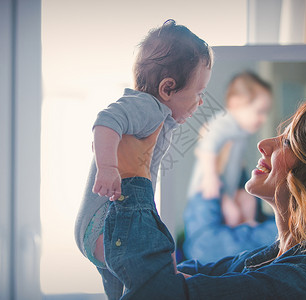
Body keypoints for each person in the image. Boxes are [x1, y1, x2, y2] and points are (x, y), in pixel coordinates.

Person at [101, 100, 306, 299]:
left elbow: (160, 292)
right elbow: (171, 279)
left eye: (289, 141)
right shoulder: (273, 257)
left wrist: (134, 177)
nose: (264, 143)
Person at [74, 19, 213, 299]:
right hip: (106, 221)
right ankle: (169, 279)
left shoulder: (153, 112)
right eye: (198, 94)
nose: (200, 103)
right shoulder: (146, 106)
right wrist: (108, 168)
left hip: (100, 228)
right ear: (167, 89)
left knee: (126, 289)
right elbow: (105, 121)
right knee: (157, 251)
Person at [183, 72, 277, 263]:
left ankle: (246, 227)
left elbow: (235, 166)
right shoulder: (224, 122)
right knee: (231, 216)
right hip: (208, 191)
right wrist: (210, 178)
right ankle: (245, 229)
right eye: (259, 111)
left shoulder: (240, 132)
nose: (263, 119)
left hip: (225, 188)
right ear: (236, 103)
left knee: (246, 202)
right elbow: (206, 146)